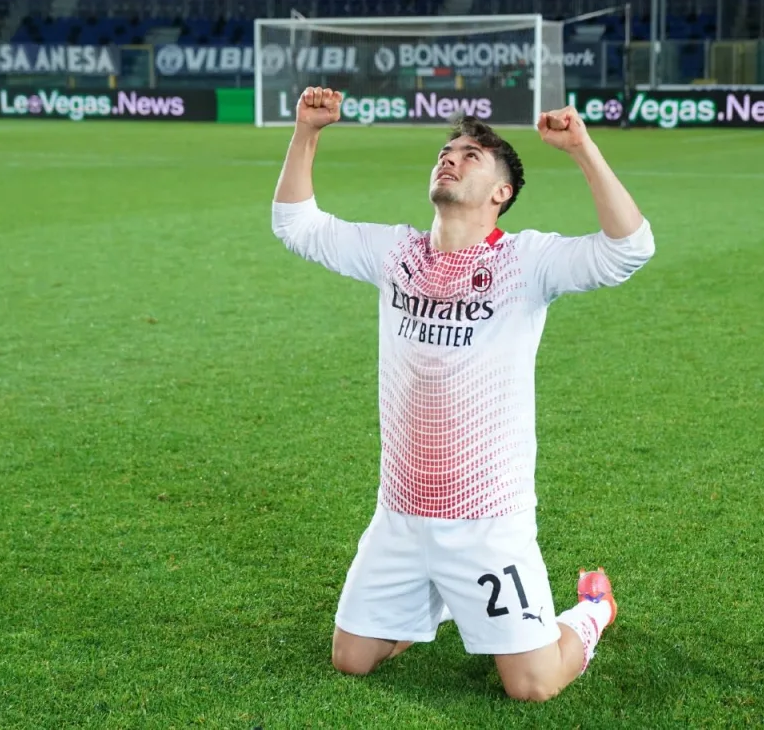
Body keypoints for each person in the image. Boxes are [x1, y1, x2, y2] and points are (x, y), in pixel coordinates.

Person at [271, 86, 655, 702]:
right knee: (352, 659)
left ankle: (591, 608)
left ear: (501, 192)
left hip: (487, 521)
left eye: (471, 155)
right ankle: (449, 600)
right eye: (447, 151)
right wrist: (308, 132)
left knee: (530, 686)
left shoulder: (527, 263)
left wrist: (582, 148)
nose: (450, 158)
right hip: (400, 514)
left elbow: (629, 249)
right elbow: (296, 225)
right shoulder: (395, 252)